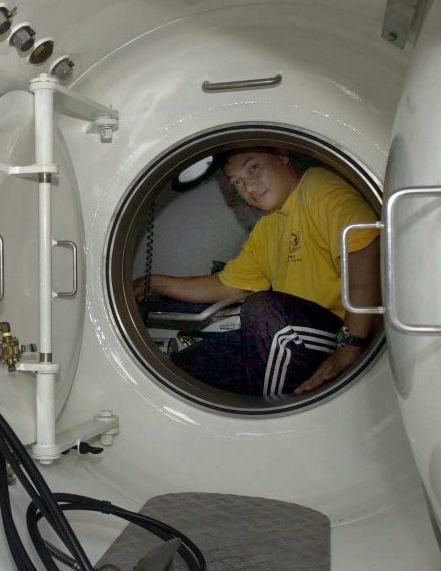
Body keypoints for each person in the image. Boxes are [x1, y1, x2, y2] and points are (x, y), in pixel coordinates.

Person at [134, 147, 381, 398]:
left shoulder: (320, 188)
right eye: (237, 182)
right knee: (189, 366)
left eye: (253, 168)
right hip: (292, 332)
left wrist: (351, 344)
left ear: (283, 155)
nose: (249, 188)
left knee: (262, 310)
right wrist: (153, 283)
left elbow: (365, 254)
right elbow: (226, 285)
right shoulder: (268, 226)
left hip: (339, 331)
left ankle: (276, 416)